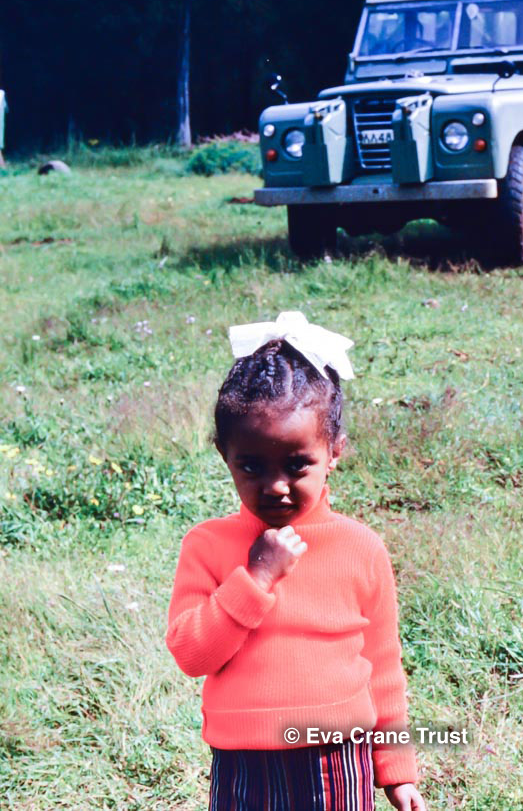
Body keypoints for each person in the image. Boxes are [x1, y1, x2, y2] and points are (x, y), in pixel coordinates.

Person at [166, 312, 426, 811]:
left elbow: (382, 667)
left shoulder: (360, 547)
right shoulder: (207, 545)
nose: (275, 486)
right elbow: (191, 655)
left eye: (297, 464)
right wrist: (255, 578)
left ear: (334, 452)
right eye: (251, 466)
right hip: (243, 762)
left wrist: (397, 770)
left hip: (337, 756)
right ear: (224, 455)